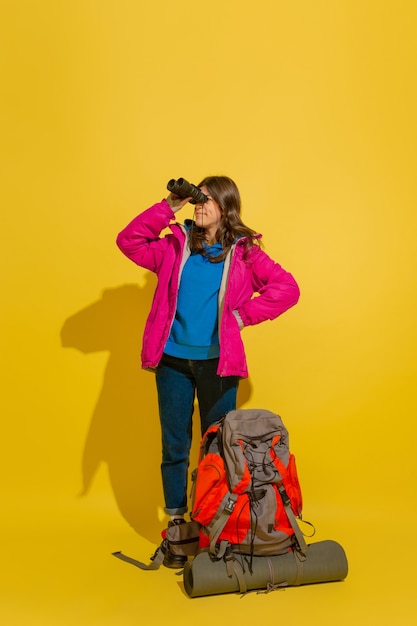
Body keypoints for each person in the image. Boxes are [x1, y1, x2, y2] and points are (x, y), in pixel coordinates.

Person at [116, 175, 300, 567]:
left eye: (207, 200)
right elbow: (128, 240)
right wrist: (169, 205)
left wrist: (242, 315)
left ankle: (219, 527)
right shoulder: (173, 246)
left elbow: (287, 288)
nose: (200, 206)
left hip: (219, 364)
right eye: (198, 199)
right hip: (172, 362)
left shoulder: (245, 253)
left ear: (226, 207)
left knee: (219, 449)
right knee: (175, 447)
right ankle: (178, 530)